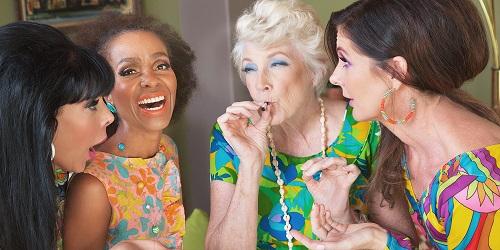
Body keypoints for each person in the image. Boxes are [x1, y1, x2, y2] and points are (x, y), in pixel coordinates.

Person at [291, 0, 500, 249]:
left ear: (396, 70)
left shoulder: (477, 183)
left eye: (345, 61)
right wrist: (342, 216)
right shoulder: (400, 139)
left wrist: (381, 242)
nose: (334, 78)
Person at [206, 0, 380, 249]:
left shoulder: (365, 127)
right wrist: (251, 163)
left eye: (277, 64)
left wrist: (345, 217)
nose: (260, 83)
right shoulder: (231, 135)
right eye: (250, 68)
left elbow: (399, 240)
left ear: (314, 70)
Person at [63, 13, 197, 249]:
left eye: (161, 65)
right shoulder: (92, 186)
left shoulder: (167, 148)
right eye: (128, 71)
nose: (151, 80)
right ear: (104, 92)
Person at [0, 22, 115, 250]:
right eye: (91, 104)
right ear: (37, 115)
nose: (108, 117)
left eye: (105, 101)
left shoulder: (55, 180)